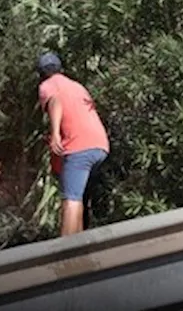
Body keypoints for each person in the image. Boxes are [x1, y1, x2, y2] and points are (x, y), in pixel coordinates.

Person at [36, 52, 110, 237]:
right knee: (77, 196)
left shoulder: (48, 85)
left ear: (41, 73)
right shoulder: (77, 86)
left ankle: (65, 253)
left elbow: (56, 102)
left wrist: (54, 135)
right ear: (61, 69)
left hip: (79, 147)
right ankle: (78, 244)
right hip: (100, 145)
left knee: (71, 200)